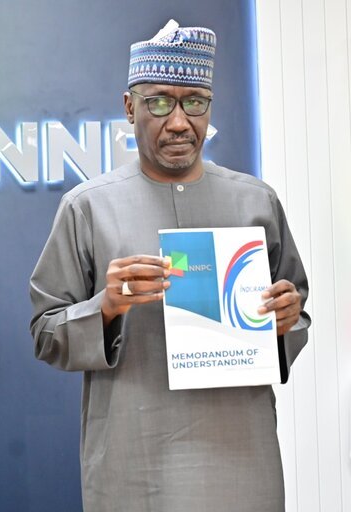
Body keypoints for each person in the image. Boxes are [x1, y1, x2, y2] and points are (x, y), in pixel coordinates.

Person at [29, 20, 310, 512]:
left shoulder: (255, 202)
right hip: (131, 463)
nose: (178, 121)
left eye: (194, 102)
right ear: (129, 107)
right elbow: (46, 333)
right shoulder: (87, 207)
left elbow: (296, 318)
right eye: (159, 102)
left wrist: (287, 318)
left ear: (209, 108)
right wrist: (107, 306)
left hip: (242, 457)